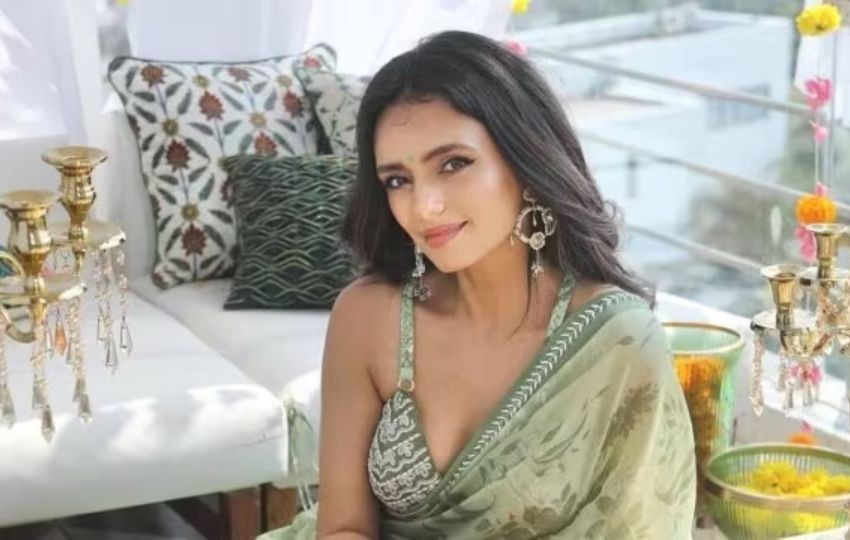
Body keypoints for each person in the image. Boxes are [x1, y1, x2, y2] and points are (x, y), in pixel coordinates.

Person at [259, 30, 696, 540]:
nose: (424, 206)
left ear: (525, 162)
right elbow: (343, 527)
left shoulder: (618, 344)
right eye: (398, 180)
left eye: (454, 164)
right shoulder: (368, 317)